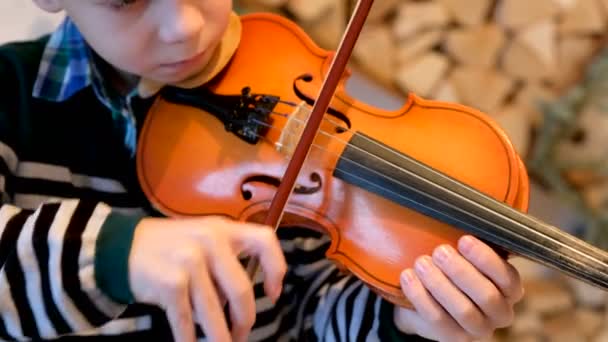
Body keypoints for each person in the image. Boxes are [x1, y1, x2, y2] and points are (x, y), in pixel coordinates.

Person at [0, 0, 524, 341]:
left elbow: (310, 311)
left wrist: (405, 320)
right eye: (125, 0)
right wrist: (122, 254)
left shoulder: (274, 73)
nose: (183, 26)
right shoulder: (8, 94)